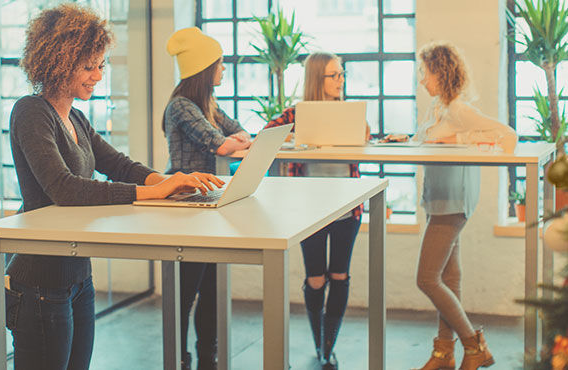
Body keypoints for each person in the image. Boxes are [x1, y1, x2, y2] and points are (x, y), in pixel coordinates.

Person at [6, 6, 223, 370]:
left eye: (101, 65)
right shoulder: (31, 112)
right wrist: (157, 192)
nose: (98, 76)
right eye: (89, 67)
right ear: (60, 61)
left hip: (77, 276)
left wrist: (171, 182)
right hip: (40, 282)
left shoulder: (75, 116)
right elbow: (64, 188)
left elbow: (119, 164)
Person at [391, 43, 516, 370]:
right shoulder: (438, 107)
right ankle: (443, 354)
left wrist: (458, 141)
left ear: (441, 73)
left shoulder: (459, 109)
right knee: (450, 275)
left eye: (425, 72)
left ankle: (474, 346)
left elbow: (506, 135)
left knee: (427, 278)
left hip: (453, 202)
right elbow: (426, 141)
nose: (422, 80)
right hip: (439, 197)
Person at [263, 52, 366, 370]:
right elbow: (265, 138)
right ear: (316, 78)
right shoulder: (295, 113)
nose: (341, 80)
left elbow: (365, 140)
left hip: (347, 208)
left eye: (342, 74)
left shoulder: (350, 113)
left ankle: (327, 347)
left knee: (340, 275)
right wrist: (296, 137)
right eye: (334, 75)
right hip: (308, 209)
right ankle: (318, 340)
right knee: (316, 278)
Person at [163, 27, 252, 370]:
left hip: (209, 201)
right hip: (185, 206)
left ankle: (207, 354)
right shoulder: (181, 107)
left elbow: (238, 130)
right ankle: (180, 357)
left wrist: (237, 139)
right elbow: (222, 144)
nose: (224, 69)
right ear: (204, 68)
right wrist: (236, 141)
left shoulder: (207, 104)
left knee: (213, 286)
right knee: (186, 290)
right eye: (220, 63)